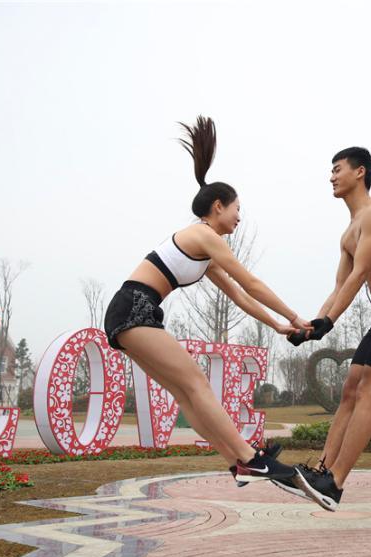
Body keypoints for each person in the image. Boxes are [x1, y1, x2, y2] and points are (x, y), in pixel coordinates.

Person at [103, 116, 306, 484]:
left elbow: (240, 296)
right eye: (237, 209)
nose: (239, 217)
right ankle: (252, 459)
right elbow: (252, 281)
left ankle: (237, 462)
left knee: (186, 392)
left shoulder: (205, 251)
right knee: (197, 383)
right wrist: (296, 315)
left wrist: (278, 325)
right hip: (135, 307)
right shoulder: (204, 235)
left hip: (133, 310)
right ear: (217, 206)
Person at [281, 147, 371, 510]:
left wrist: (328, 323)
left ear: (359, 172)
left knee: (368, 391)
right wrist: (309, 325)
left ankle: (335, 483)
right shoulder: (348, 232)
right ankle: (321, 470)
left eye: (337, 169)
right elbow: (339, 287)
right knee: (350, 389)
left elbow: (361, 272)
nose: (331, 177)